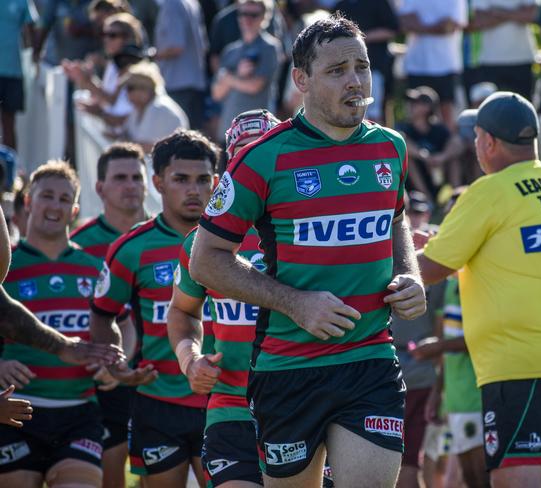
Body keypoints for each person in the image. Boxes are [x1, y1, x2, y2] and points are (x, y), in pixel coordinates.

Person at [191, 14, 426, 488]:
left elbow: (395, 218)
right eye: (337, 71)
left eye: (361, 67)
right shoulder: (262, 157)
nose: (355, 81)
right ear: (301, 80)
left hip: (369, 359)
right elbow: (205, 259)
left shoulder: (391, 148)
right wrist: (295, 302)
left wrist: (409, 272)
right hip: (287, 368)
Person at [418, 91, 541, 488]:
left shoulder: (488, 190)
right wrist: (437, 241)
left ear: (488, 142)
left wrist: (385, 257)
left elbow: (428, 270)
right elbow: (507, 256)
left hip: (520, 361)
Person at [90, 130, 218, 487]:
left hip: (226, 402)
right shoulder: (131, 248)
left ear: (217, 181)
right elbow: (102, 314)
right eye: (181, 179)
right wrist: (116, 363)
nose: (193, 190)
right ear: (158, 182)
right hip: (158, 401)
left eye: (203, 179)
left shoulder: (239, 243)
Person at [168, 109, 280, 488]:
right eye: (245, 157)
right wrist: (190, 360)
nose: (256, 168)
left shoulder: (309, 230)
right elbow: (182, 313)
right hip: (230, 407)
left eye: (265, 153)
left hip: (302, 403)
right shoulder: (204, 240)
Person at [0, 161, 107, 488]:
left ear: (74, 209)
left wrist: (112, 362)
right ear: (28, 201)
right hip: (15, 410)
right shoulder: (11, 263)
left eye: (64, 199)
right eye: (47, 196)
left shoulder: (93, 266)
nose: (55, 206)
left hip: (77, 411)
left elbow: (114, 325)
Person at [70, 142, 147, 488]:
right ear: (100, 188)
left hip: (163, 369)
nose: (130, 185)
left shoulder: (170, 236)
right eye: (120, 178)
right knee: (111, 469)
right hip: (104, 373)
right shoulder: (79, 244)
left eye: (136, 177)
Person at [411, 187, 488, 488]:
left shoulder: (482, 271)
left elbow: (488, 334)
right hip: (455, 390)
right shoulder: (456, 274)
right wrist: (439, 391)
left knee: (478, 475)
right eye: (452, 214)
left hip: (479, 387)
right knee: (461, 474)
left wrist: (439, 347)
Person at [390, 191, 442, 488]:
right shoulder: (423, 250)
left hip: (408, 367)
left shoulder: (376, 246)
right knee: (408, 460)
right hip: (406, 367)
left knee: (409, 461)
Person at [211, 0, 282, 142]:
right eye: (243, 14)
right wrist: (239, 76)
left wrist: (229, 78)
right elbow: (216, 93)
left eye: (254, 14)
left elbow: (255, 86)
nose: (247, 19)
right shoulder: (230, 51)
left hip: (258, 132)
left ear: (264, 17)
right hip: (230, 131)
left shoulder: (270, 47)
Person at [398, 0, 467, 130]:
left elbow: (449, 26)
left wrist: (419, 27)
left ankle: (447, 149)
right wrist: (436, 27)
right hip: (416, 66)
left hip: (446, 66)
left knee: (448, 118)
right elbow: (404, 22)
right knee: (416, 116)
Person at [334, 0, 399, 122]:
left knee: (373, 110)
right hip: (344, 71)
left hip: (373, 68)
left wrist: (361, 38)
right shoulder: (341, 5)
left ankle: (376, 141)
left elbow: (392, 29)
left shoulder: (379, 3)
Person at [468, 0, 539, 100]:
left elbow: (532, 15)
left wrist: (498, 13)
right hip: (490, 62)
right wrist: (516, 13)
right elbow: (478, 21)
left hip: (522, 61)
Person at [154, 0, 208, 130]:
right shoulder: (192, 3)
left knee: (177, 140)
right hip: (195, 83)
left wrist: (151, 56)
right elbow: (204, 46)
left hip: (176, 85)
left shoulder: (172, 3)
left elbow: (176, 47)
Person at [121, 62, 189, 153]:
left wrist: (123, 145)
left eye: (130, 88)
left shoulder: (161, 109)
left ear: (143, 89)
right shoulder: (139, 108)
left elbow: (154, 147)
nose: (126, 93)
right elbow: (128, 136)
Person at [0, 0, 38, 150]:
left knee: (9, 122)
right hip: (12, 71)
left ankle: (10, 169)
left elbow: (30, 28)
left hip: (14, 70)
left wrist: (35, 57)